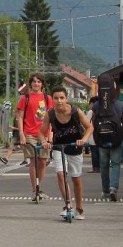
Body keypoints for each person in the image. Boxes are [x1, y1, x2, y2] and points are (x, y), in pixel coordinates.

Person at [40, 86, 94, 220]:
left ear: (66, 99)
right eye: (56, 98)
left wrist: (83, 140)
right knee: (60, 174)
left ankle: (79, 207)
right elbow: (41, 132)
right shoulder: (50, 114)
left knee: (75, 177)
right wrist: (44, 142)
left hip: (74, 147)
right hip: (59, 147)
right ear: (52, 100)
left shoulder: (75, 111)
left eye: (62, 98)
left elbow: (89, 127)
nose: (59, 101)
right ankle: (68, 204)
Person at [91, 75, 123, 201]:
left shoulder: (96, 105)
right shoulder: (119, 104)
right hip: (116, 138)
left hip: (102, 139)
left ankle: (105, 190)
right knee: (116, 164)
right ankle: (113, 188)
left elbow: (93, 121)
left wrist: (96, 135)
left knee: (104, 165)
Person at [14, 73, 51, 202]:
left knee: (43, 161)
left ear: (42, 84)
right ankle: (35, 189)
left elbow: (51, 118)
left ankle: (39, 186)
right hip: (29, 132)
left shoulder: (47, 98)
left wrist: (50, 135)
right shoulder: (26, 98)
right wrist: (22, 134)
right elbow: (20, 117)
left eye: (39, 82)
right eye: (34, 81)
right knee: (34, 160)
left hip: (44, 133)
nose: (36, 84)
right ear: (30, 83)